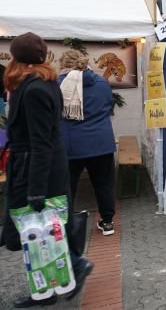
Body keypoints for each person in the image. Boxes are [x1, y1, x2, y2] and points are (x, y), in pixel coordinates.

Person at [0, 33, 93, 307]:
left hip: (36, 170)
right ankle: (46, 290)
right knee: (39, 231)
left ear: (21, 60)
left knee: (39, 230)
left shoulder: (36, 89)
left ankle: (74, 265)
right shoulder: (41, 83)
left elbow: (41, 143)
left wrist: (36, 190)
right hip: (36, 166)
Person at [58, 49, 117, 236]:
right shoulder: (101, 83)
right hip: (101, 141)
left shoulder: (58, 84)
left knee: (67, 187)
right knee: (104, 184)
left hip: (71, 144)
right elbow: (109, 105)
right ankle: (107, 222)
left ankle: (65, 226)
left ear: (63, 65)